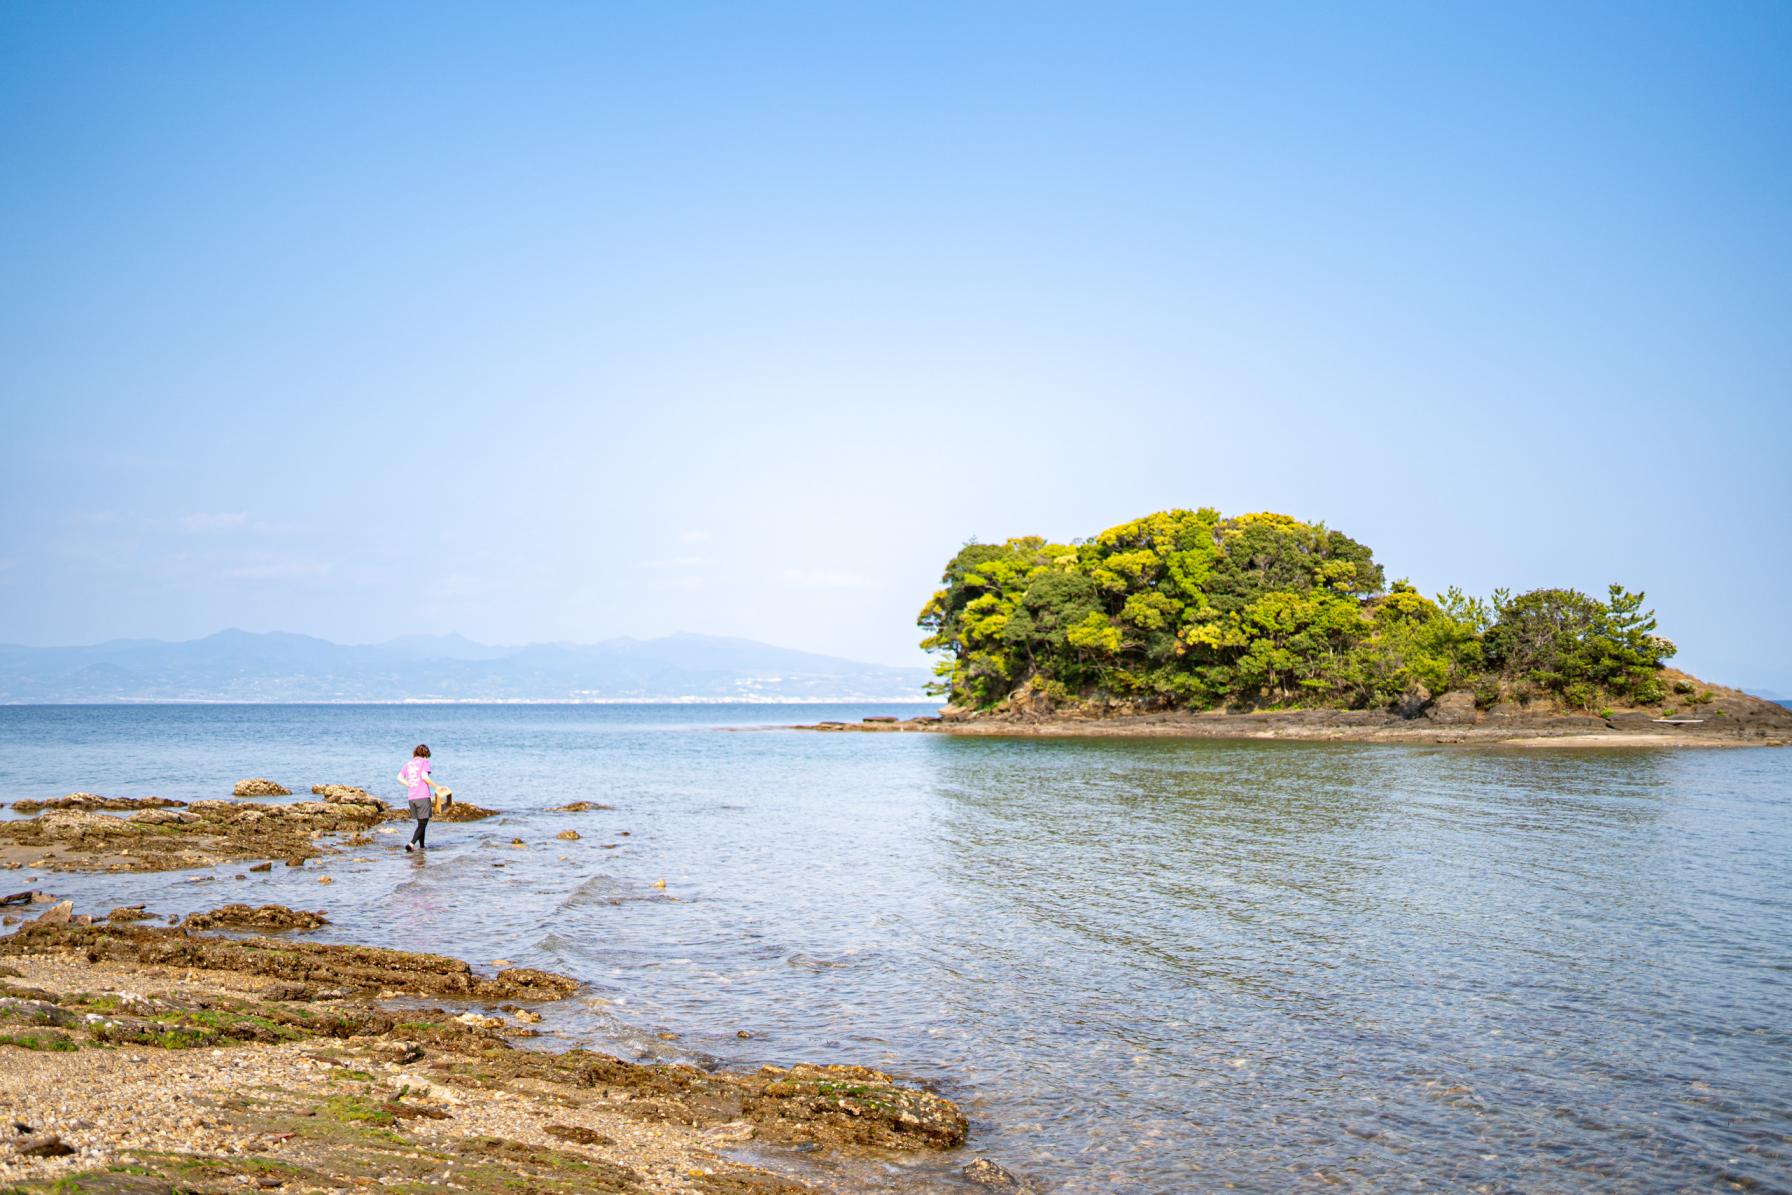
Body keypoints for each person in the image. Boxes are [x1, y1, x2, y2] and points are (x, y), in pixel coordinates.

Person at [397, 744, 443, 852]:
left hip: (412, 798)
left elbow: (399, 777)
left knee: (421, 824)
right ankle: (411, 844)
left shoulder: (408, 763)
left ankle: (422, 847)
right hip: (422, 796)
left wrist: (409, 784)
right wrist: (436, 786)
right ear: (425, 754)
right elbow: (424, 777)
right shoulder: (424, 762)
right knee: (423, 824)